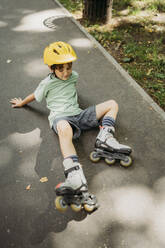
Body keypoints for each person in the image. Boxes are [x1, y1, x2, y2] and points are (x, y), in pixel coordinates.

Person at [10, 41, 131, 209]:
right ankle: (74, 175)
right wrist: (22, 102)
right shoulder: (47, 83)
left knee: (112, 104)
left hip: (79, 114)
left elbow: (71, 90)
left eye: (69, 67)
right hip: (61, 118)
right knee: (64, 129)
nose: (66, 72)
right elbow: (35, 95)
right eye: (61, 69)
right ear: (51, 68)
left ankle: (105, 138)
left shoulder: (74, 76)